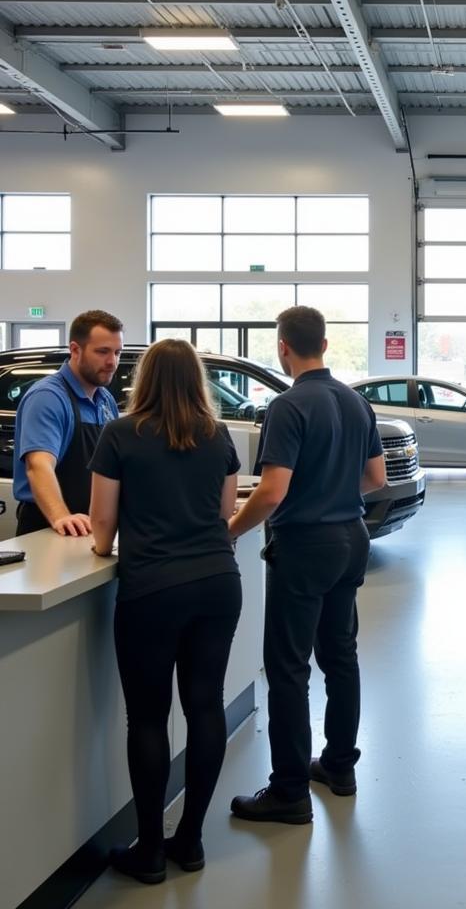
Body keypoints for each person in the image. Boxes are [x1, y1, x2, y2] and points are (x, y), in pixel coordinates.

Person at [88, 340, 242, 884]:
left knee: (148, 718)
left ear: (144, 378)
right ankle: (191, 840)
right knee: (205, 708)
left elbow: (102, 528)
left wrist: (106, 543)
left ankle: (149, 850)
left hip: (152, 591)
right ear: (197, 380)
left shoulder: (119, 434)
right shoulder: (217, 434)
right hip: (219, 585)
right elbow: (224, 513)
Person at [228, 306, 385, 825]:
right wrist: (334, 494)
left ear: (283, 346)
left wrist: (228, 532)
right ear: (324, 343)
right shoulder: (356, 401)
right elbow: (377, 479)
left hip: (304, 547)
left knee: (289, 667)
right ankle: (340, 767)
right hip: (351, 538)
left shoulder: (288, 406)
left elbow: (272, 491)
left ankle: (289, 790)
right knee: (340, 655)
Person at [13, 309, 123, 536]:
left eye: (117, 352)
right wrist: (61, 516)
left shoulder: (105, 399)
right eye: (102, 352)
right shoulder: (48, 398)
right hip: (50, 526)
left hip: (89, 525)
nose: (112, 362)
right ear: (75, 350)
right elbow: (38, 465)